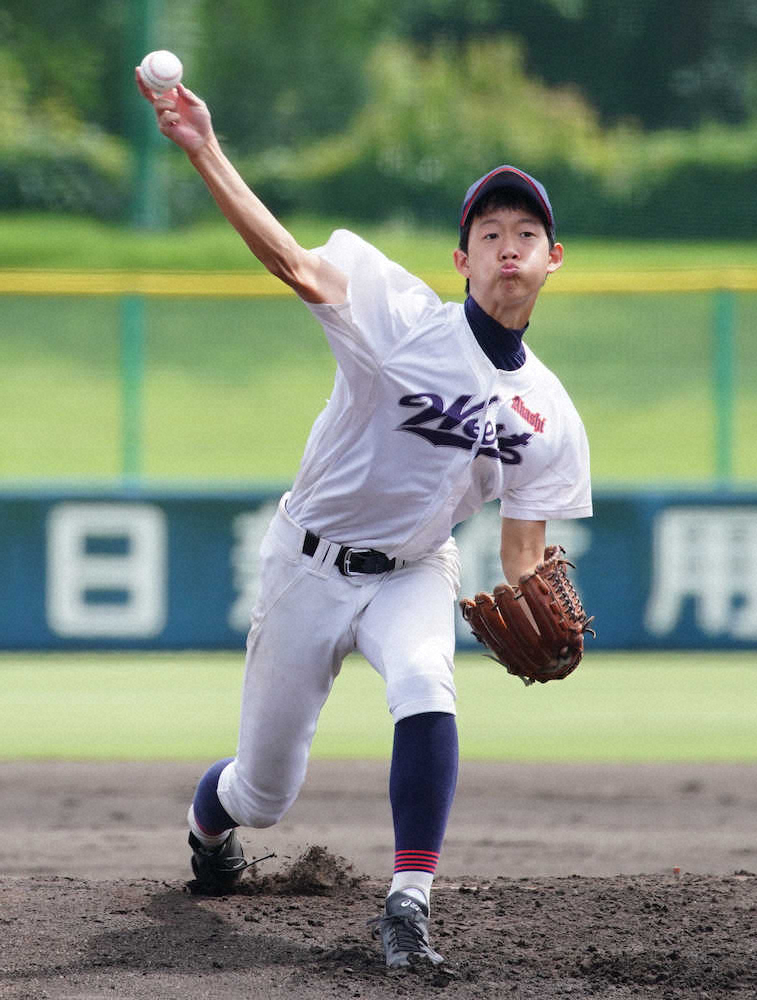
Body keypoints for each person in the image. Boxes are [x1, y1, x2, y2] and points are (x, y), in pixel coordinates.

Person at [136, 68, 592, 969]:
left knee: (427, 682)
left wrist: (545, 615)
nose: (508, 245)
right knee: (262, 792)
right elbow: (289, 260)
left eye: (526, 233)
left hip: (416, 571)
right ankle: (208, 831)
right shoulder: (395, 315)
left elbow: (521, 557)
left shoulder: (550, 415)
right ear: (460, 260)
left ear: (551, 259)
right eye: (488, 232)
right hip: (306, 564)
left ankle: (408, 905)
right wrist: (205, 150)